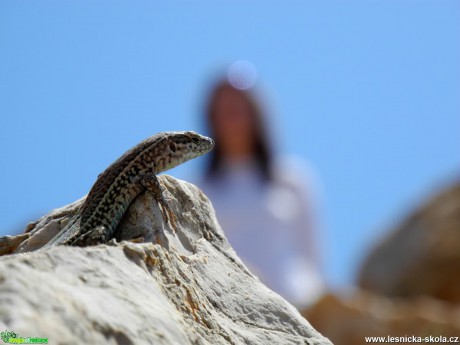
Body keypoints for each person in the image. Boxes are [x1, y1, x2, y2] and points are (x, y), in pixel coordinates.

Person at [198, 69, 324, 308]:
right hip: (230, 312)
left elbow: (313, 259)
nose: (232, 120)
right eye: (223, 112)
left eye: (238, 110)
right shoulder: (197, 189)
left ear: (256, 114)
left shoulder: (293, 179)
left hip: (295, 309)